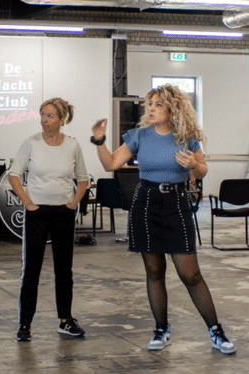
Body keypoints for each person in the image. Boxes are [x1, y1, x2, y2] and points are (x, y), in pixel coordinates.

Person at [92, 84, 236, 355]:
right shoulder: (139, 136)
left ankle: (216, 331)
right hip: (146, 204)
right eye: (150, 104)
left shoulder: (187, 138)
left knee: (190, 274)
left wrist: (194, 166)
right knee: (154, 271)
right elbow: (111, 164)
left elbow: (203, 170)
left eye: (158, 104)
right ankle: (161, 329)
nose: (151, 109)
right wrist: (99, 141)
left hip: (177, 204)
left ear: (172, 109)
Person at [9, 98, 90, 342]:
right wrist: (28, 203)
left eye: (50, 116)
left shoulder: (73, 145)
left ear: (62, 120)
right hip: (37, 213)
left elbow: (83, 178)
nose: (44, 120)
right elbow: (14, 175)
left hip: (64, 212)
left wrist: (74, 203)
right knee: (31, 269)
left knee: (64, 269)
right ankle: (25, 323)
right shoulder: (31, 143)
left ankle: (65, 320)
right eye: (42, 115)